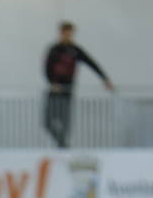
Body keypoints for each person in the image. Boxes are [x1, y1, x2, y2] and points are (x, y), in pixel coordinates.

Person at [43, 21, 113, 149]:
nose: (68, 36)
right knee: (48, 121)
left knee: (65, 122)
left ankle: (63, 145)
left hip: (67, 91)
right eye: (65, 33)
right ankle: (61, 142)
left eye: (70, 34)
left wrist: (105, 79)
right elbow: (47, 68)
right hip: (54, 91)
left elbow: (91, 63)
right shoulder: (54, 50)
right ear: (61, 33)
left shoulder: (75, 50)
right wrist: (52, 83)